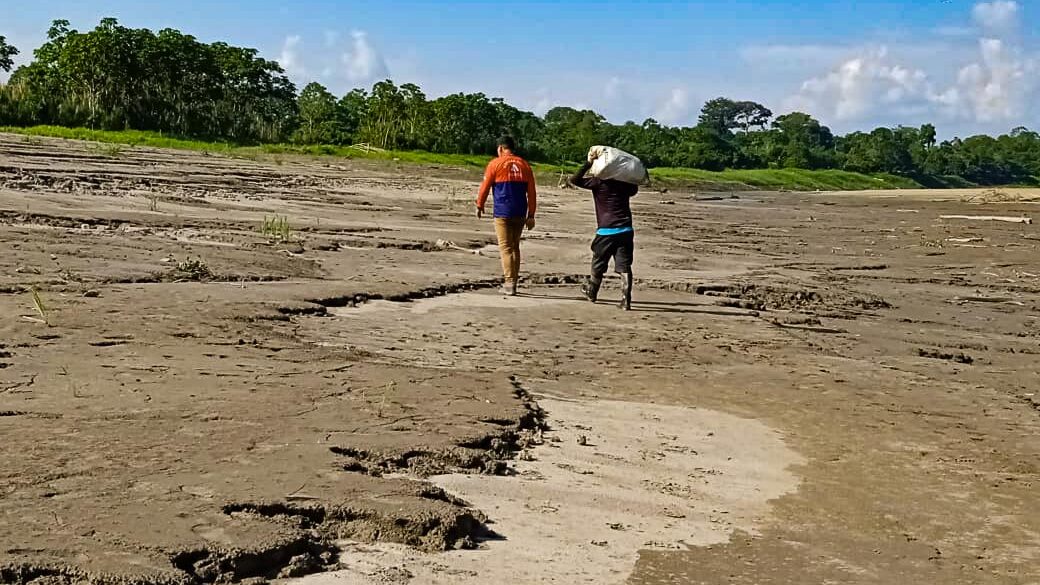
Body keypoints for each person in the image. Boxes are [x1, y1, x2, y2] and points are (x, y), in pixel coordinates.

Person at [569, 150, 639, 310]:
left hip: (606, 230)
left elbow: (574, 179)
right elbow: (635, 188)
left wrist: (588, 163)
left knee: (598, 262)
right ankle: (626, 300)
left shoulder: (598, 182)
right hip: (626, 229)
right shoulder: (625, 185)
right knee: (624, 266)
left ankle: (592, 292)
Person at [475, 136, 537, 296]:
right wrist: (531, 214)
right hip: (520, 212)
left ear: (500, 149)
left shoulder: (495, 164)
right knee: (514, 246)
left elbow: (485, 187)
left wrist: (479, 205)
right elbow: (531, 192)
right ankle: (513, 282)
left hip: (502, 212)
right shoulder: (525, 165)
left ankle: (509, 284)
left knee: (505, 248)